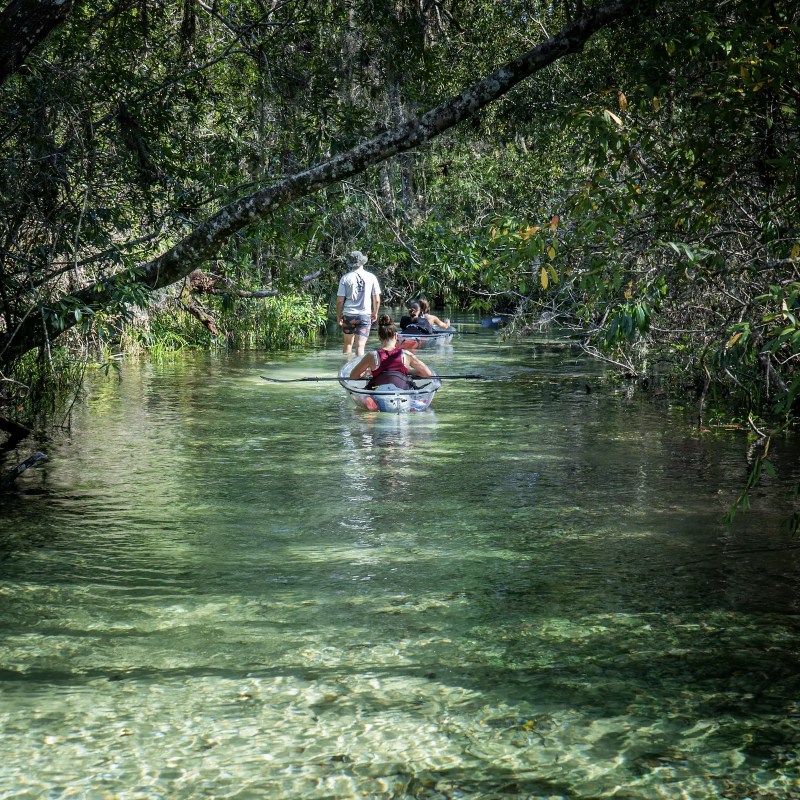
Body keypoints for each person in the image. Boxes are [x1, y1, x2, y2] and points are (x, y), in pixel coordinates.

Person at [349, 314, 433, 389]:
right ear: (396, 336)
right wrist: (409, 371)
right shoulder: (406, 355)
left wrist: (367, 373)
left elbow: (353, 376)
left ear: (379, 336)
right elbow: (427, 373)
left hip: (378, 393)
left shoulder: (371, 356)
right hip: (402, 395)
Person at [336, 250, 381, 356]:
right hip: (364, 315)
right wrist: (375, 312)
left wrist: (338, 316)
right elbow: (377, 299)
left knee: (347, 345)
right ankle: (358, 371)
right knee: (360, 346)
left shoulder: (345, 278)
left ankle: (347, 370)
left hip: (349, 315)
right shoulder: (371, 277)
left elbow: (339, 300)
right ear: (362, 262)